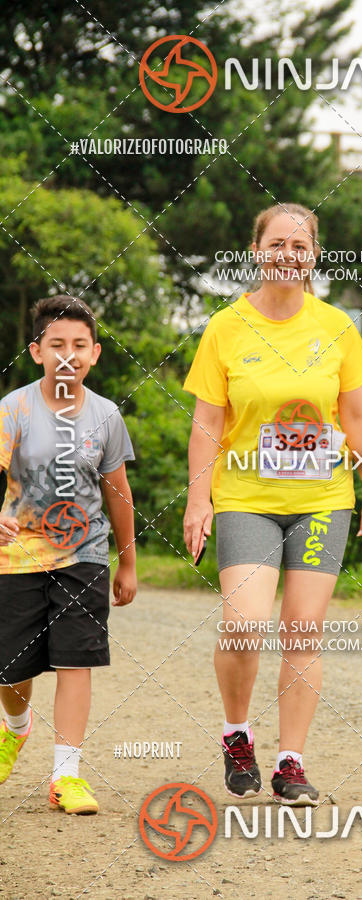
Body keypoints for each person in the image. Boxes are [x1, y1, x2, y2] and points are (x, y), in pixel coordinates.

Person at [183, 203, 362, 806]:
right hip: (246, 495)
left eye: (300, 247)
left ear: (314, 256)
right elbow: (206, 423)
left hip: (324, 500)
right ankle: (237, 733)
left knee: (303, 632)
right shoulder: (225, 327)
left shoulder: (337, 328)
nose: (288, 255)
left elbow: (357, 416)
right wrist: (200, 502)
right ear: (257, 251)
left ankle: (291, 763)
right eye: (278, 244)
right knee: (244, 624)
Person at [0, 295, 136, 814]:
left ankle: (66, 775)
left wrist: (128, 562)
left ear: (95, 353)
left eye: (79, 345)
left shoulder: (105, 416)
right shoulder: (13, 409)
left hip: (84, 554)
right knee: (11, 670)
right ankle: (16, 726)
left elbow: (118, 493)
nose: (67, 355)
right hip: (16, 557)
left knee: (76, 660)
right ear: (36, 352)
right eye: (56, 344)